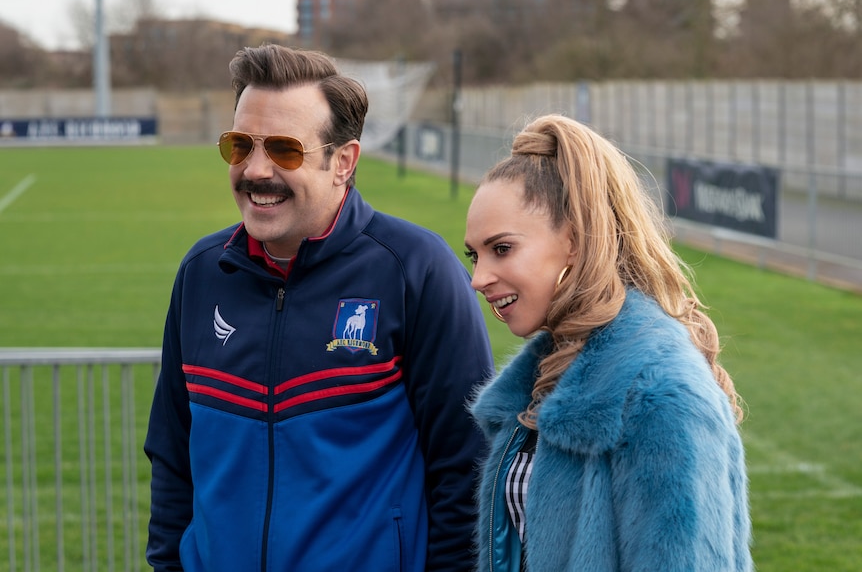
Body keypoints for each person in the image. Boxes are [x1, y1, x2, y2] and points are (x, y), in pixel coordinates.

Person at [144, 43, 494, 572]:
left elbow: (467, 472)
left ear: (343, 162)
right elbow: (173, 457)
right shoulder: (201, 272)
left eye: (284, 150)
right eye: (240, 145)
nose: (255, 170)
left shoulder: (415, 270)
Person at [464, 114, 752, 572]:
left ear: (575, 241)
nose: (478, 278)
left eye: (501, 249)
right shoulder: (539, 379)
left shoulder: (659, 391)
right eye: (473, 255)